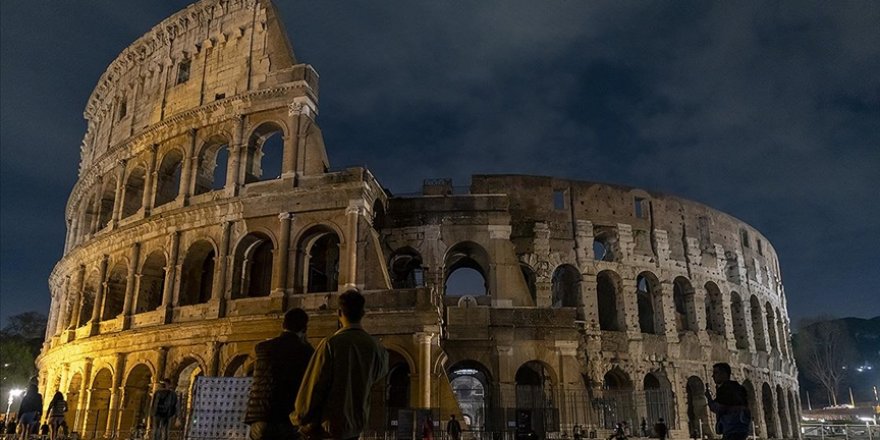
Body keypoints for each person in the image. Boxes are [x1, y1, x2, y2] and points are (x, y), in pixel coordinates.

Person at [293, 289, 389, 440]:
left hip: (328, 428)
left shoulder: (330, 344)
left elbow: (314, 385)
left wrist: (299, 417)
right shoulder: (378, 348)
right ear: (363, 313)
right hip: (356, 426)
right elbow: (377, 376)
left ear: (339, 313)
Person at [244, 308, 314, 440]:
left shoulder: (262, 347)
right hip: (287, 418)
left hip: (260, 418)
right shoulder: (307, 351)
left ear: (283, 325)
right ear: (304, 329)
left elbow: (247, 371)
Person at [705, 363, 751, 440]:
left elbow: (718, 408)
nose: (713, 376)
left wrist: (709, 397)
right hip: (741, 428)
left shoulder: (726, 389)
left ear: (724, 374)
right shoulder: (738, 387)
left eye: (716, 373)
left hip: (732, 429)